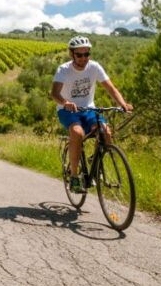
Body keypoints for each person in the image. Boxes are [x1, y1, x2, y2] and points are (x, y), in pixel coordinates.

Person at [50, 36, 133, 193]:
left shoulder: (94, 67)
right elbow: (54, 93)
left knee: (105, 132)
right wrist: (64, 102)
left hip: (88, 109)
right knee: (77, 133)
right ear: (72, 54)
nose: (83, 58)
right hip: (67, 110)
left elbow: (111, 88)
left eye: (86, 54)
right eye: (79, 55)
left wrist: (122, 104)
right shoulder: (64, 70)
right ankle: (74, 177)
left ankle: (95, 163)